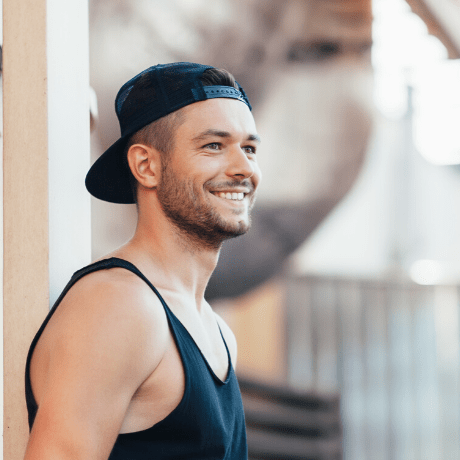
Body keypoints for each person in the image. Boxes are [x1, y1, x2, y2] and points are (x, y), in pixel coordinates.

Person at [24, 62, 261, 460]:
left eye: (249, 148)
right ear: (146, 166)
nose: (243, 169)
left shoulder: (216, 330)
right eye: (213, 146)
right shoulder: (118, 306)